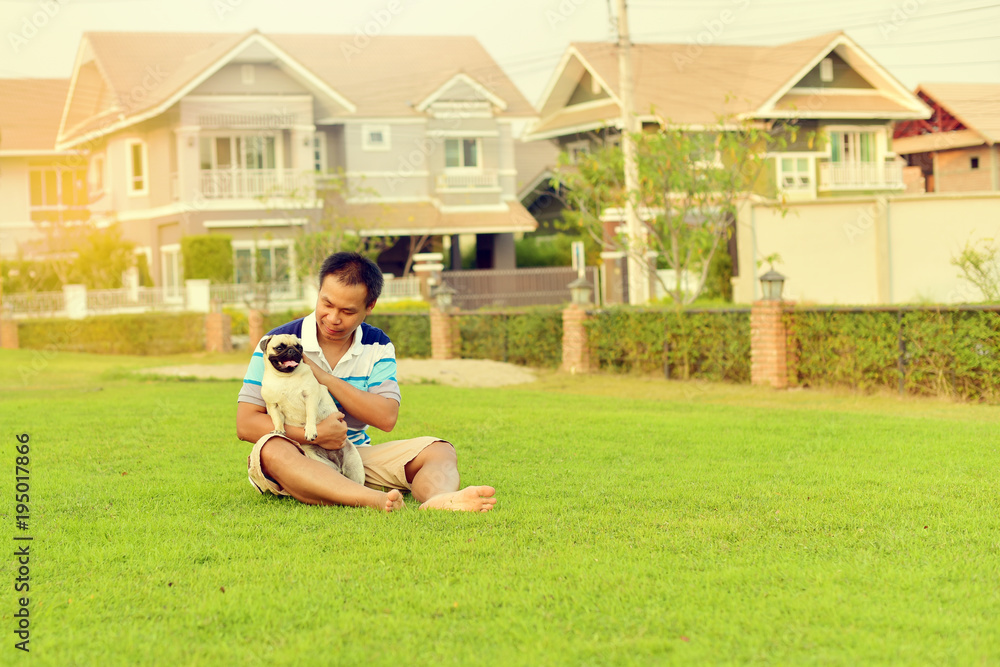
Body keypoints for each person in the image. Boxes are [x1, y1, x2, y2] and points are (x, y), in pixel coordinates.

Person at [236, 251, 497, 513]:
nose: (333, 318)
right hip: (297, 453)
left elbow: (386, 417)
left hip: (354, 454)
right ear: (318, 292)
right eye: (327, 304)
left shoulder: (378, 345)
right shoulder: (279, 342)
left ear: (369, 306)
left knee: (438, 450)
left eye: (348, 311)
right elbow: (246, 423)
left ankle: (440, 499)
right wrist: (317, 436)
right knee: (271, 451)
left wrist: (325, 378)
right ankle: (373, 500)